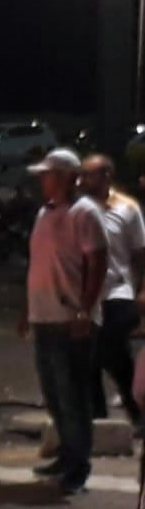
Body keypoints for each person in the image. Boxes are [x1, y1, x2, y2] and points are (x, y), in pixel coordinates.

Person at [19, 148, 109, 495]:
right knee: (54, 394)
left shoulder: (84, 213)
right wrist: (25, 310)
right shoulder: (45, 212)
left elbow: (97, 263)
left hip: (70, 319)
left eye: (48, 174)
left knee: (73, 396)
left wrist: (85, 310)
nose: (42, 180)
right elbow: (38, 264)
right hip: (44, 316)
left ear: (67, 177)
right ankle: (65, 454)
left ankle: (78, 464)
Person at [80, 154, 145, 428]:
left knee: (114, 351)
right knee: (88, 357)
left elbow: (140, 253)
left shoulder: (127, 208)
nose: (84, 180)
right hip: (86, 294)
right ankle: (97, 416)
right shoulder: (79, 208)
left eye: (90, 174)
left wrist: (142, 289)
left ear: (107, 175)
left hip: (119, 290)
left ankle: (137, 410)